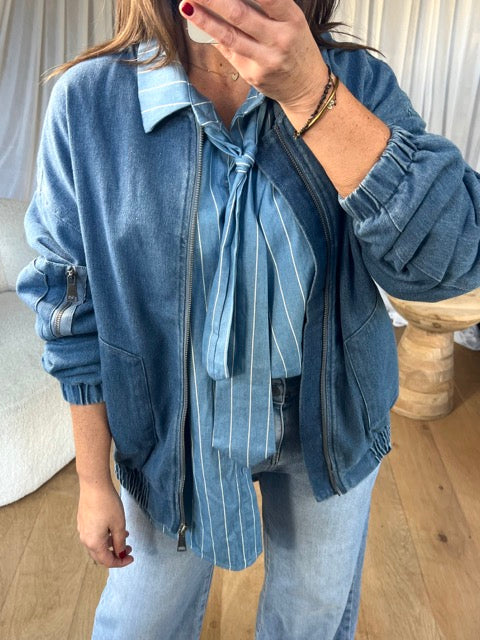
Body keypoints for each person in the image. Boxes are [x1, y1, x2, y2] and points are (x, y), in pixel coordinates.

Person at [16, 0, 480, 638]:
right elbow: (68, 302)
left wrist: (312, 94)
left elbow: (450, 263)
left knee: (309, 621)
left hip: (329, 423)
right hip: (170, 432)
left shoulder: (357, 82)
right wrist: (94, 480)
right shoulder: (90, 103)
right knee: (140, 622)